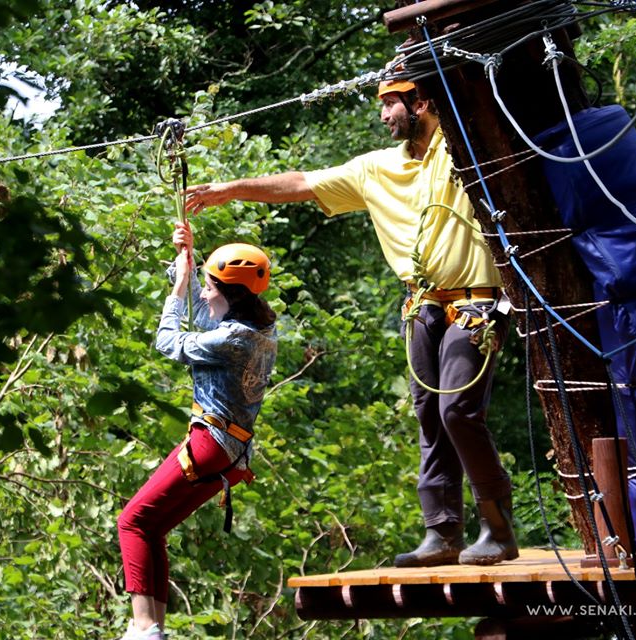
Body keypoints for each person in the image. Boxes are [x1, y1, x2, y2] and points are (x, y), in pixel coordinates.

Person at [183, 63, 517, 567]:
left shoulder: (463, 149)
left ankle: (498, 527)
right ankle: (443, 533)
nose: (384, 115)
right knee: (430, 416)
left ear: (421, 104)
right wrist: (230, 188)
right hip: (423, 306)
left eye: (391, 104)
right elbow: (300, 182)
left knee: (457, 411)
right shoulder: (375, 168)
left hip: (476, 301)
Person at [116, 221, 277, 640]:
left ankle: (145, 627)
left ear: (229, 293)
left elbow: (169, 341)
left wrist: (176, 290)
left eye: (209, 286)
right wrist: (184, 266)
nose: (203, 294)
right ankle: (153, 630)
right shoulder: (257, 328)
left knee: (131, 522)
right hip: (231, 451)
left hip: (210, 443)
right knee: (153, 528)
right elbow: (207, 310)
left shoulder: (232, 340)